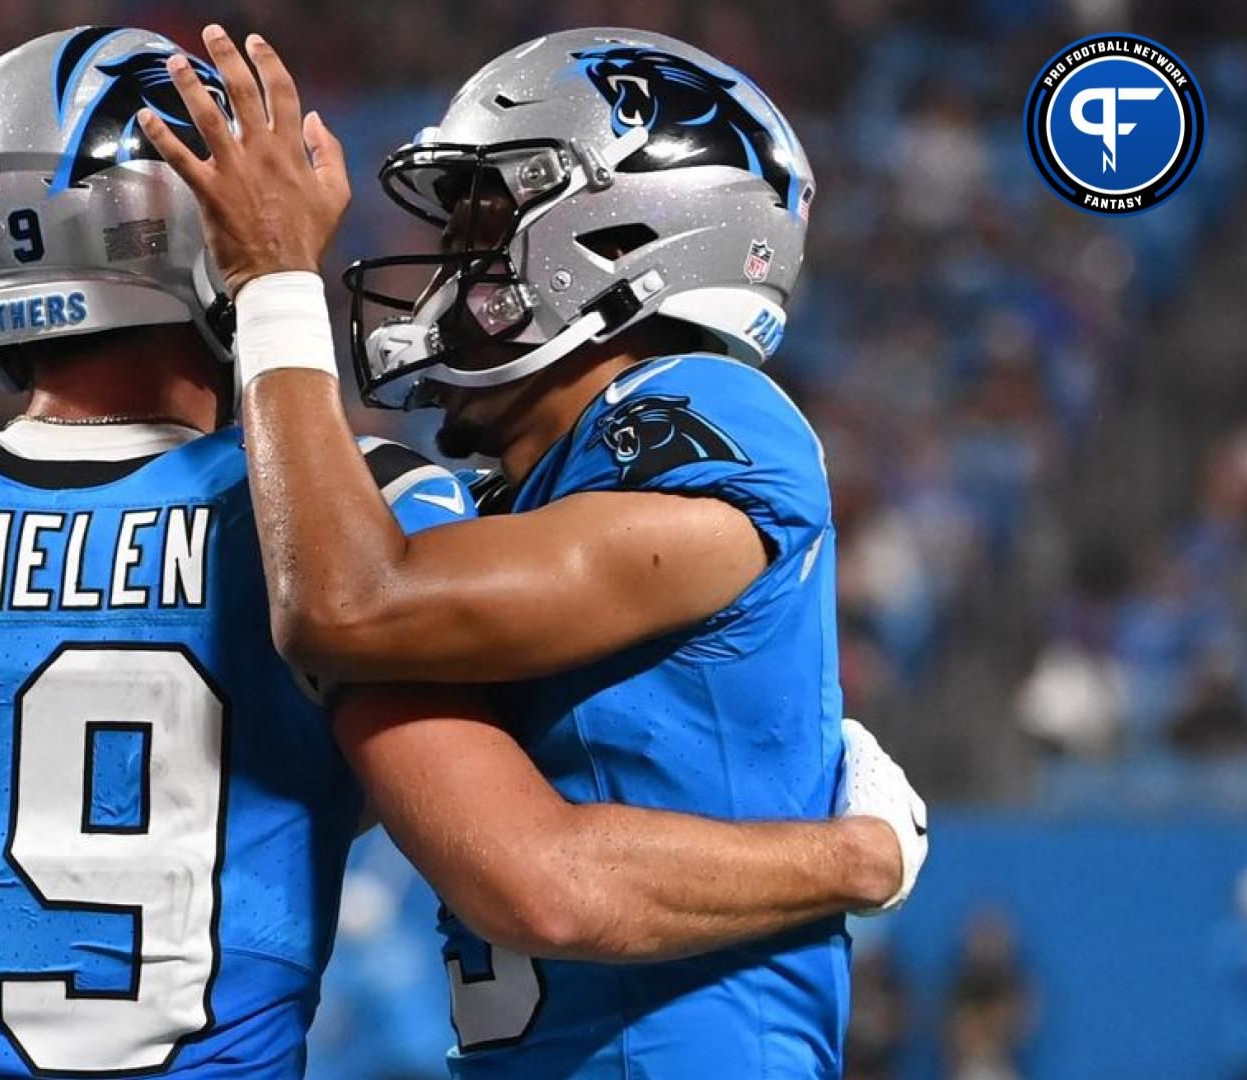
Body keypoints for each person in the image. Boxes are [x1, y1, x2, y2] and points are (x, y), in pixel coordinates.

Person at [0, 26, 919, 1080]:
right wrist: (857, 855)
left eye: (486, 223)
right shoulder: (354, 516)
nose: (444, 263)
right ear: (201, 240)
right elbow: (471, 808)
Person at [133, 23, 916, 1077]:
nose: (449, 270)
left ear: (620, 235)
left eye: (484, 225)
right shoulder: (490, 512)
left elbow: (352, 603)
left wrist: (276, 284)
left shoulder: (704, 410)